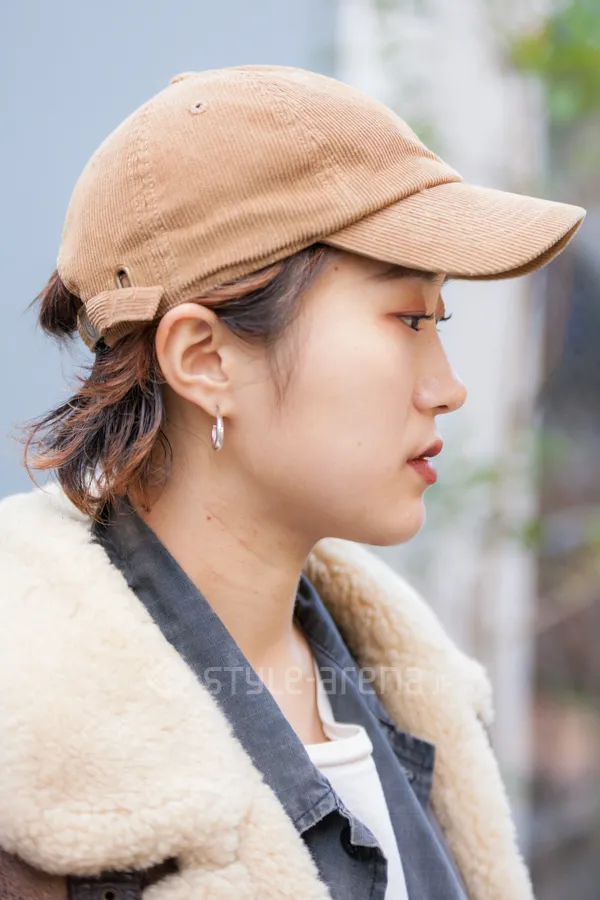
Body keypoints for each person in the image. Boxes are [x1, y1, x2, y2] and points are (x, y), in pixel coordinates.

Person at [0, 65, 585, 900]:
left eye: (440, 320)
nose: (448, 387)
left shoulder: (418, 701)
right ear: (205, 359)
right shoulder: (29, 762)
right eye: (409, 319)